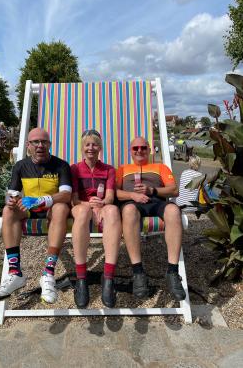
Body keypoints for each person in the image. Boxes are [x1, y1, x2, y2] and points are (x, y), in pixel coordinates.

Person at [0, 128, 72, 303]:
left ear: (49, 144)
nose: (40, 145)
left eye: (44, 142)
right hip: (29, 211)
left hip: (52, 210)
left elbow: (66, 195)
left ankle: (48, 273)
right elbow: (11, 193)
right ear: (28, 145)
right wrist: (12, 200)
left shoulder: (61, 165)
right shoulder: (21, 166)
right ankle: (15, 273)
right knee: (7, 210)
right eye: (35, 142)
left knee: (61, 208)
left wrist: (42, 200)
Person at [116, 136, 186, 301]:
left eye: (143, 148)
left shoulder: (160, 167)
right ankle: (138, 272)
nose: (139, 150)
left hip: (156, 202)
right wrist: (132, 194)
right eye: (135, 148)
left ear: (149, 150)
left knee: (174, 211)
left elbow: (174, 190)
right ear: (130, 151)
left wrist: (151, 190)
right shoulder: (122, 169)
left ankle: (172, 272)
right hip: (132, 203)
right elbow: (115, 193)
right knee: (129, 212)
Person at [70, 129, 121, 308]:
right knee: (83, 212)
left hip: (101, 206)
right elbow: (75, 200)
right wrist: (89, 205)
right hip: (82, 207)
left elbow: (109, 197)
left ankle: (108, 278)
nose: (91, 147)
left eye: (95, 144)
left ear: (100, 148)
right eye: (87, 144)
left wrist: (101, 204)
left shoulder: (108, 169)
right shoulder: (74, 169)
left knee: (113, 211)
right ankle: (81, 279)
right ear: (82, 148)